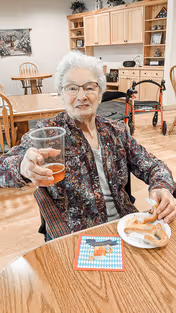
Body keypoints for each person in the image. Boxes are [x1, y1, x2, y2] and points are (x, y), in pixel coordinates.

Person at [0, 51, 175, 241]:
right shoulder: (47, 133)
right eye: (71, 88)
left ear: (100, 93)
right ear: (61, 94)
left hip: (126, 228)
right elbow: (2, 167)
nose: (81, 96)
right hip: (75, 236)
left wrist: (161, 187)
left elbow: (154, 166)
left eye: (90, 87)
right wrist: (22, 167)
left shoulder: (116, 131)